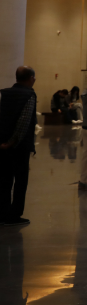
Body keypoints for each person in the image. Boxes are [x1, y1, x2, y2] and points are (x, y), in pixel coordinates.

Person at [0, 66, 38, 226]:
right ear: (31, 78)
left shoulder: (4, 93)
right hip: (19, 146)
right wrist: (12, 142)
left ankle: (2, 213)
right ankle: (14, 215)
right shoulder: (29, 95)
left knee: (4, 180)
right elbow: (24, 121)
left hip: (2, 144)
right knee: (20, 181)